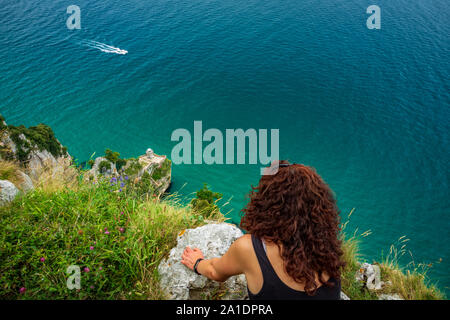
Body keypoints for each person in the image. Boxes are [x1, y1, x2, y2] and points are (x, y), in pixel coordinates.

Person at [181, 161, 345, 300]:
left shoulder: (251, 248)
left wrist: (197, 263)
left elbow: (215, 271)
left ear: (267, 204)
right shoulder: (326, 250)